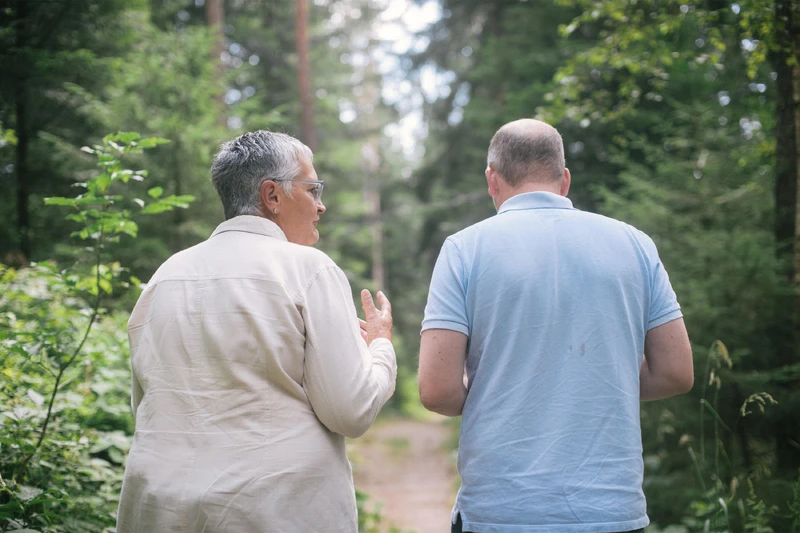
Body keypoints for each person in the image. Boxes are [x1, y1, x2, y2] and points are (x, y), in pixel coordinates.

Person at [418, 119, 693, 533]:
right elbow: (675, 373)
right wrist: (600, 373)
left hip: (502, 509)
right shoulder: (635, 244)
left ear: (492, 180)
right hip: (611, 510)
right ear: (564, 180)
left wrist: (498, 387)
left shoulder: (463, 249)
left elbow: (437, 392)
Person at [116, 131, 396, 533]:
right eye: (313, 189)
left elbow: (146, 406)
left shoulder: (165, 275)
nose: (321, 205)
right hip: (270, 509)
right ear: (273, 195)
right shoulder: (308, 268)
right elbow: (350, 411)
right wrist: (381, 347)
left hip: (158, 508)